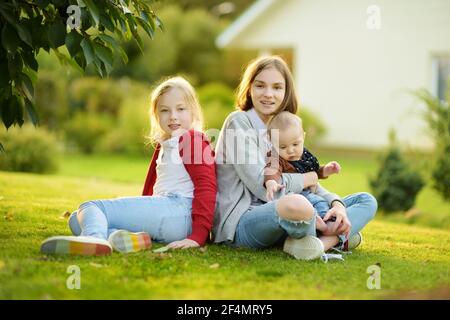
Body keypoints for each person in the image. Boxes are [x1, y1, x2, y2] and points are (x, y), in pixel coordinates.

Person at [213, 55, 377, 261]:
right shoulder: (239, 122)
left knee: (365, 200)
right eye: (260, 86)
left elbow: (301, 173)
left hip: (291, 210)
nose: (268, 94)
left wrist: (337, 205)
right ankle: (340, 237)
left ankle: (321, 242)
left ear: (286, 92)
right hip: (243, 223)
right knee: (298, 204)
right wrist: (309, 179)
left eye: (277, 87)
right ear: (249, 89)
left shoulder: (281, 127)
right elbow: (262, 187)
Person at [40, 76, 216, 256]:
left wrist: (197, 236)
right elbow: (152, 189)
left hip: (179, 211)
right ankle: (126, 239)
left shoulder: (192, 140)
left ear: (193, 111)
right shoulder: (165, 143)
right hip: (166, 215)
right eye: (165, 110)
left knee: (91, 207)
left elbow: (207, 187)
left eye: (180, 109)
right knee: (76, 220)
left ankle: (95, 240)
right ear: (156, 115)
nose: (173, 116)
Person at [264, 111, 347, 245]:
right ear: (272, 144)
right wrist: (271, 182)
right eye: (283, 147)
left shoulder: (304, 156)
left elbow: (314, 172)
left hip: (310, 195)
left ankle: (330, 226)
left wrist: (327, 170)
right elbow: (271, 170)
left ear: (303, 137)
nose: (291, 150)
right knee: (313, 207)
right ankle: (326, 230)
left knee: (321, 203)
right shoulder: (274, 156)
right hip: (295, 199)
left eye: (295, 144)